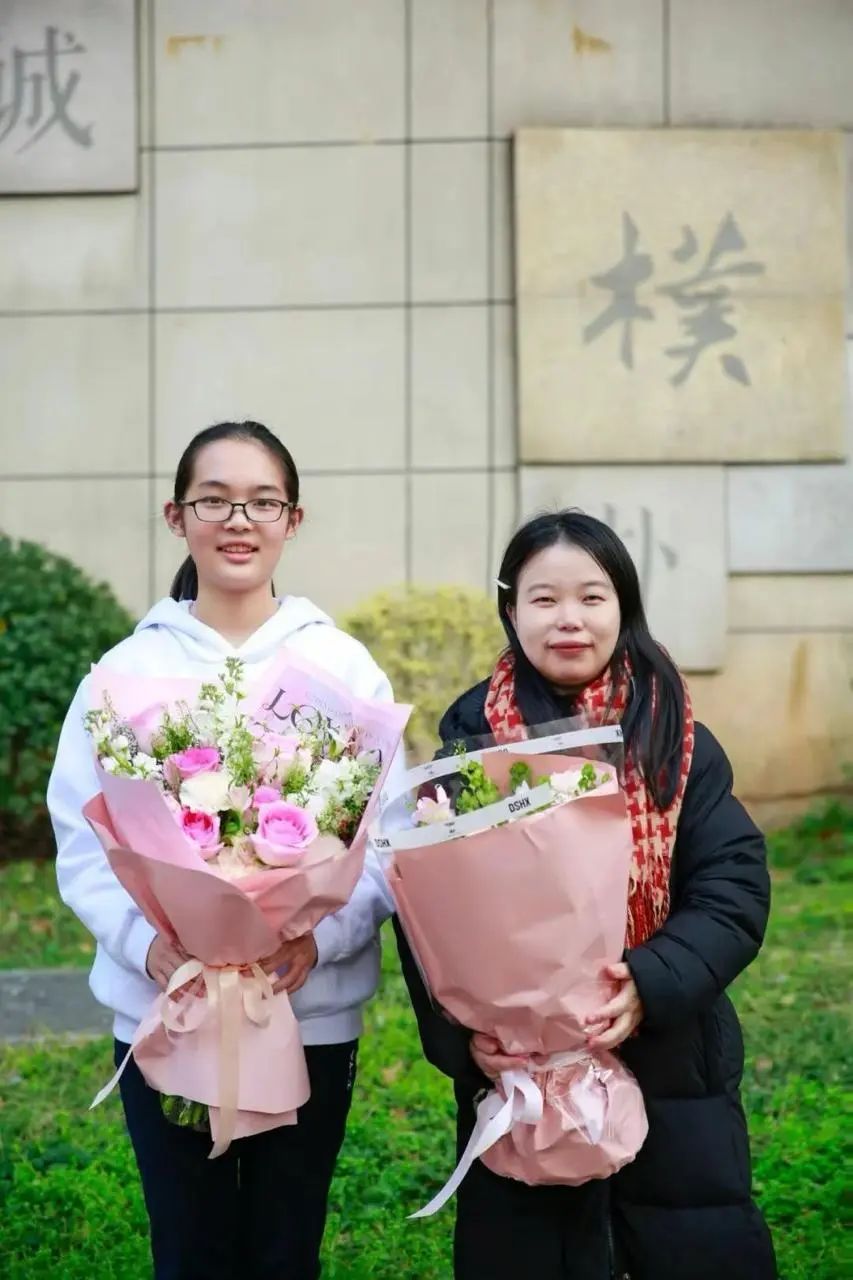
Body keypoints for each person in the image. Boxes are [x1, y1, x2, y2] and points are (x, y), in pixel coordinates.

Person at [48, 420, 398, 1280]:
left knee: (286, 1247)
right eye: (215, 499)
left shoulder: (342, 669)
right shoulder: (122, 673)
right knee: (190, 1247)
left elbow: (385, 837)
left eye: (262, 501)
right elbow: (82, 838)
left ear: (293, 518)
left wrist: (320, 937)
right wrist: (148, 944)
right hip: (164, 1008)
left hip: (307, 1013)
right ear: (178, 516)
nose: (238, 520)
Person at [394, 509, 777, 1280]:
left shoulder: (673, 729)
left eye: (591, 597)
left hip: (672, 1062)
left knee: (681, 1243)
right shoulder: (472, 738)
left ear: (622, 608)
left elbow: (732, 885)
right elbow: (427, 914)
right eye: (543, 599)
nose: (568, 619)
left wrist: (651, 981)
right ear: (510, 610)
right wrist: (464, 1041)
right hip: (521, 1072)